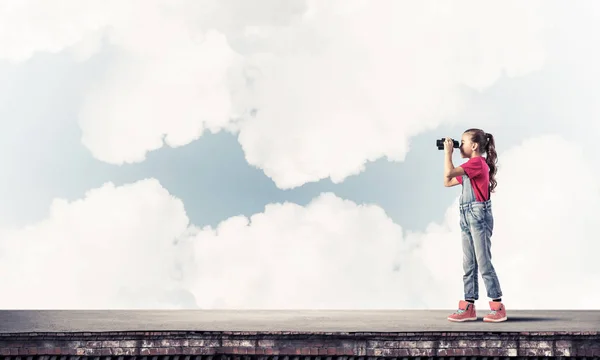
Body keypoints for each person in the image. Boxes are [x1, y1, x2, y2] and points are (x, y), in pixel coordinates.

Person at [442, 128, 507, 323]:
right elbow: (447, 181)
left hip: (478, 216)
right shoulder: (470, 167)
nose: (459, 146)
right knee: (468, 263)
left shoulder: (477, 163)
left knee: (483, 261)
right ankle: (469, 306)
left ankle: (498, 306)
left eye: (462, 142)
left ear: (474, 146)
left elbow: (450, 171)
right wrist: (449, 155)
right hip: (466, 216)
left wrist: (448, 153)